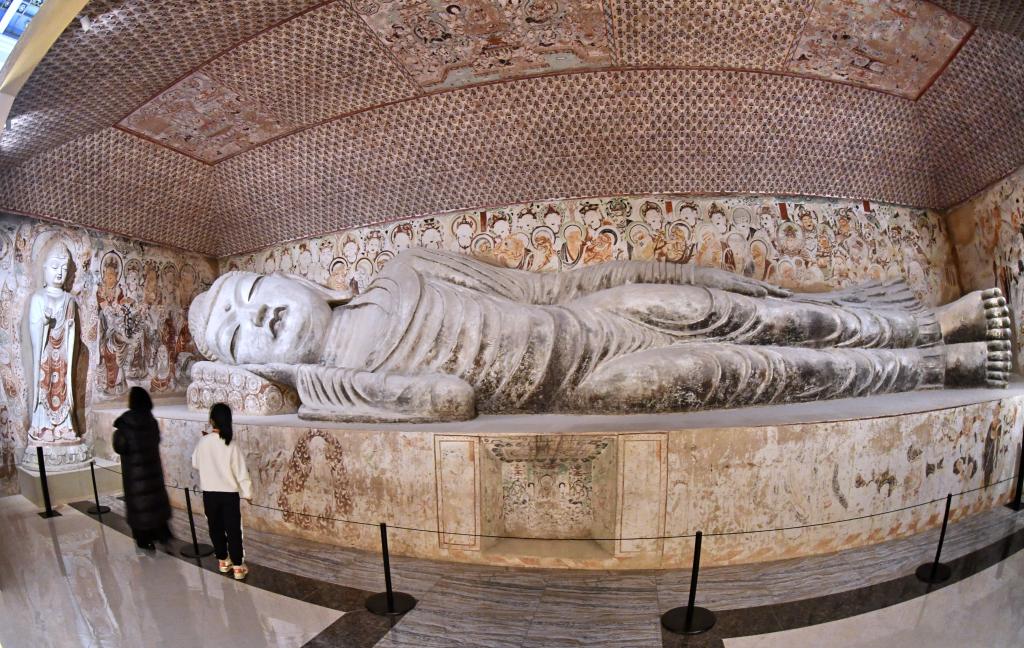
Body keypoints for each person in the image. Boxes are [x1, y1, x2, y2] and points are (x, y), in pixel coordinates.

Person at [187, 248, 1012, 423]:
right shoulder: (344, 385)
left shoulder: (407, 271)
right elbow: (449, 398)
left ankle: (930, 324)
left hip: (592, 317)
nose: (258, 318)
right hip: (587, 382)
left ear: (301, 278)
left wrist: (634, 275)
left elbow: (537, 288)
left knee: (773, 315)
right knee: (758, 368)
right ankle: (937, 366)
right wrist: (309, 386)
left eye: (252, 294)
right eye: (238, 337)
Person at [192, 403, 252, 580]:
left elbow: (195, 463)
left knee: (215, 527)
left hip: (209, 494)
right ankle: (238, 566)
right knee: (233, 530)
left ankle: (223, 561)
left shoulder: (203, 442)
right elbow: (241, 472)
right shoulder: (231, 445)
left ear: (211, 421)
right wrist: (248, 493)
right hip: (229, 495)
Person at [112, 387, 172, 550]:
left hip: (135, 476)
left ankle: (145, 540)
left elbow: (120, 446)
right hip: (152, 472)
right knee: (155, 504)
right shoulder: (150, 421)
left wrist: (118, 433)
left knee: (140, 506)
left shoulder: (126, 422)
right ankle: (162, 535)